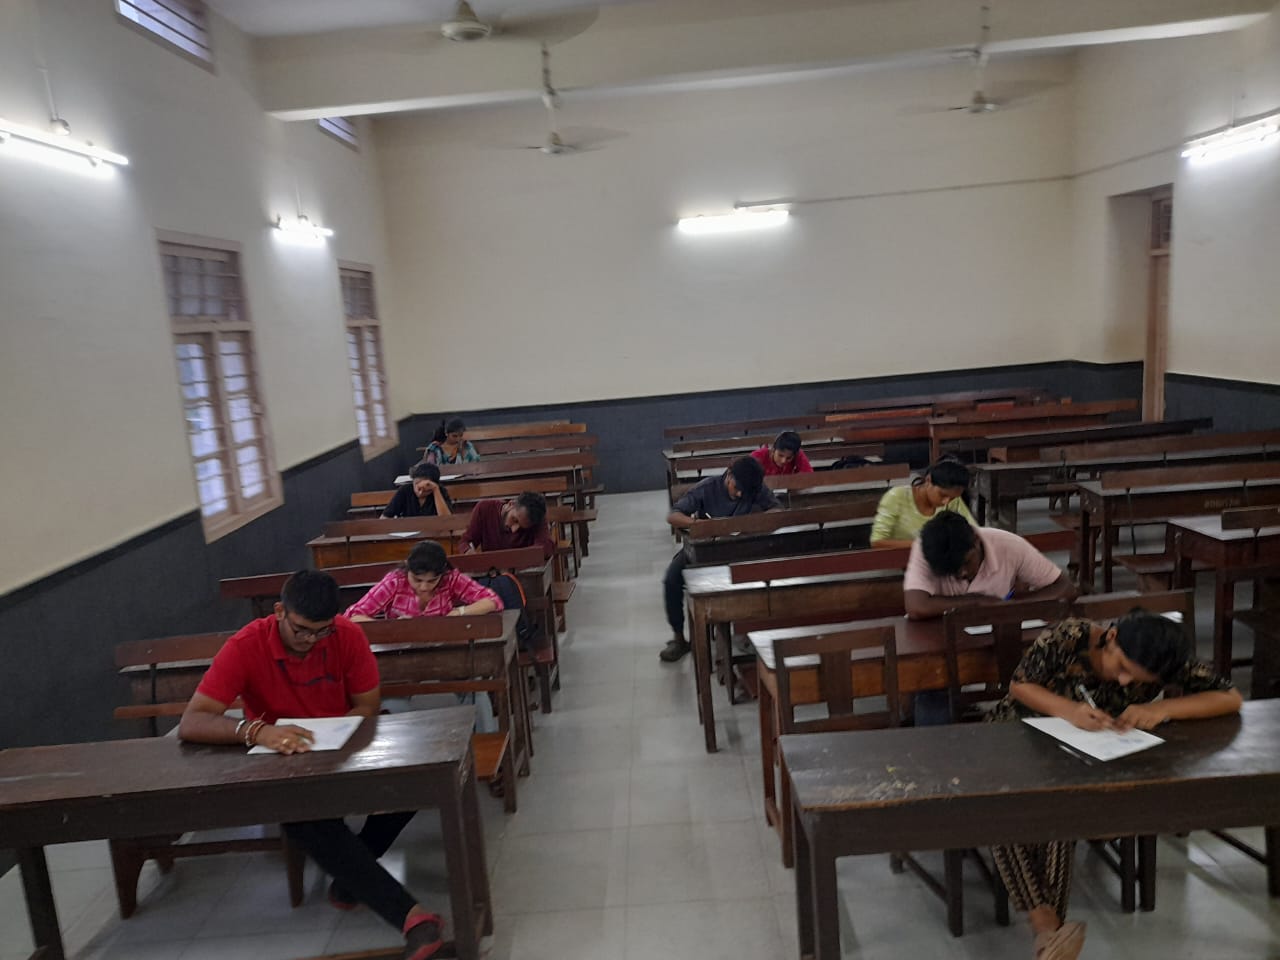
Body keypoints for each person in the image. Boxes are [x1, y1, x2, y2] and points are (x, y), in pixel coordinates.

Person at [177, 570, 445, 960]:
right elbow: (193, 720)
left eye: (321, 632)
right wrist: (257, 731)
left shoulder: (347, 635)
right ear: (279, 611)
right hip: (282, 760)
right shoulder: (247, 645)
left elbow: (367, 706)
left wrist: (339, 736)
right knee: (304, 817)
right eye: (301, 630)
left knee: (412, 783)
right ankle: (413, 918)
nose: (310, 641)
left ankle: (350, 881)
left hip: (341, 749)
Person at [988, 611, 1241, 960]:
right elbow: (1020, 685)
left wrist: (1164, 708)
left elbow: (1229, 697)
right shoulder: (1069, 637)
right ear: (1111, 638)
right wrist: (1070, 710)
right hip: (1015, 734)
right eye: (1121, 667)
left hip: (1083, 752)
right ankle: (1046, 926)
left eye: (1136, 679)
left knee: (1060, 806)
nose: (1124, 682)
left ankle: (1047, 934)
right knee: (1002, 805)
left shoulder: (1161, 657)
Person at [660, 456, 781, 662]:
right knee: (672, 579)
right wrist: (699, 525)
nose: (740, 494)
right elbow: (673, 516)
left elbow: (778, 511)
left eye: (745, 491)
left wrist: (754, 522)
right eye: (737, 488)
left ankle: (754, 631)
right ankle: (679, 638)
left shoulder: (755, 487)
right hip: (706, 549)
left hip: (741, 549)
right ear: (729, 474)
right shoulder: (707, 487)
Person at [904, 511, 1075, 620]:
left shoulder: (1009, 545)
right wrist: (978, 601)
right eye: (951, 570)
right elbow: (917, 607)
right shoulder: (927, 548)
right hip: (937, 634)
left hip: (996, 631)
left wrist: (1014, 607)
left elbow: (1065, 587)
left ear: (976, 541)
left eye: (966, 562)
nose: (962, 573)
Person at [346, 540, 501, 620]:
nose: (424, 587)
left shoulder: (451, 578)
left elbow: (493, 601)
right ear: (408, 568)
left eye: (432, 581)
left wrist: (460, 612)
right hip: (399, 648)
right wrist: (391, 628)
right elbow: (353, 616)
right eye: (417, 580)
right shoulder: (395, 581)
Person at [870, 457, 975, 548]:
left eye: (952, 498)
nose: (946, 502)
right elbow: (877, 542)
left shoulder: (953, 501)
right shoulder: (897, 496)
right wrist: (926, 546)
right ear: (928, 480)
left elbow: (974, 531)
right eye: (942, 495)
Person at [461, 492, 556, 561]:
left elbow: (545, 547)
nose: (514, 530)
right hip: (492, 573)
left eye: (522, 528)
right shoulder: (484, 508)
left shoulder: (536, 518)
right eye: (515, 520)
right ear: (511, 504)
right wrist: (468, 551)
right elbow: (466, 541)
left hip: (522, 574)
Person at [382, 462, 452, 518]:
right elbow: (385, 516)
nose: (420, 493)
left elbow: (446, 520)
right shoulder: (405, 490)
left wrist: (436, 490)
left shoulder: (440, 491)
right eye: (417, 485)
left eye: (426, 490)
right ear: (413, 481)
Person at [749, 430, 813, 476]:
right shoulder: (758, 456)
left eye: (789, 458)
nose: (783, 461)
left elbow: (808, 475)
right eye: (780, 455)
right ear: (773, 450)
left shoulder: (797, 453)